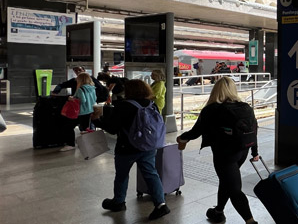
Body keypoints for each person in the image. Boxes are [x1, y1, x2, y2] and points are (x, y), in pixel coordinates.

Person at [176, 77, 259, 224]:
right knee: (227, 181)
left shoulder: (211, 109)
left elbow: (196, 132)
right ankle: (218, 212)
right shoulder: (245, 107)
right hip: (242, 151)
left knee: (234, 188)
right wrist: (254, 152)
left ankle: (250, 221)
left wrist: (182, 138)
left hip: (224, 154)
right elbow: (253, 130)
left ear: (216, 90)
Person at [100, 80, 170, 220]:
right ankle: (161, 204)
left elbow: (112, 129)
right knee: (151, 174)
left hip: (127, 148)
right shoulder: (152, 104)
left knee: (122, 175)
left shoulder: (123, 106)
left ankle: (119, 202)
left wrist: (97, 120)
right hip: (148, 146)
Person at [59, 73, 97, 152]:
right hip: (89, 110)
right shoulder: (92, 88)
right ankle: (87, 144)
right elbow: (95, 98)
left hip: (80, 112)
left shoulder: (80, 89)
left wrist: (72, 98)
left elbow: (82, 100)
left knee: (68, 127)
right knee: (85, 129)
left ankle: (70, 144)